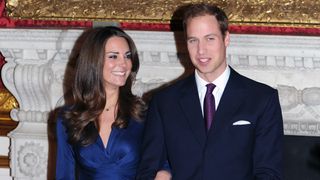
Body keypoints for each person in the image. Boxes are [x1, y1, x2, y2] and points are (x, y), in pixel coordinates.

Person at [137, 3, 284, 180]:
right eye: (193, 40)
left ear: (226, 38)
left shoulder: (262, 99)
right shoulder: (164, 102)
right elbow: (148, 170)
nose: (201, 50)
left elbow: (268, 173)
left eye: (210, 39)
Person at [55, 26, 166, 179]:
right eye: (113, 56)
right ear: (94, 61)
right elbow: (64, 175)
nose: (124, 63)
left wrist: (164, 173)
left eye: (127, 56)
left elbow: (165, 162)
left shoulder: (144, 114)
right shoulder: (68, 118)